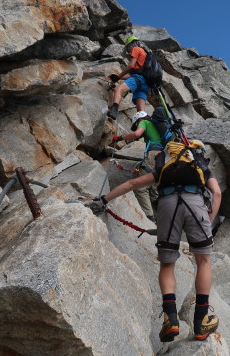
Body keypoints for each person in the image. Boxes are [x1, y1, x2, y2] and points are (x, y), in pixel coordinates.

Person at [89, 141, 222, 342]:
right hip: (195, 204)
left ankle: (170, 319)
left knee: (167, 264)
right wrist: (208, 224)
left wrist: (103, 201)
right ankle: (201, 322)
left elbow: (132, 184)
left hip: (167, 205)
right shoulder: (200, 167)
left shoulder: (163, 169)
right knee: (203, 261)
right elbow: (217, 193)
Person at [111, 110, 163, 222]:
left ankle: (150, 218)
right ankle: (163, 217)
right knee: (154, 189)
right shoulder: (157, 124)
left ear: (139, 119)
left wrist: (120, 138)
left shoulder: (144, 122)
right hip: (164, 156)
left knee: (141, 187)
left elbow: (136, 134)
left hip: (153, 155)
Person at [106, 35, 150, 120]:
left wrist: (118, 77)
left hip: (138, 79)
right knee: (141, 112)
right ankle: (143, 126)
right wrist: (118, 77)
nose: (129, 51)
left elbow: (131, 66)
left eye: (128, 48)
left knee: (119, 89)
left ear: (132, 43)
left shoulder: (136, 49)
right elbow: (134, 76)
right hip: (145, 84)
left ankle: (114, 110)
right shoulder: (145, 55)